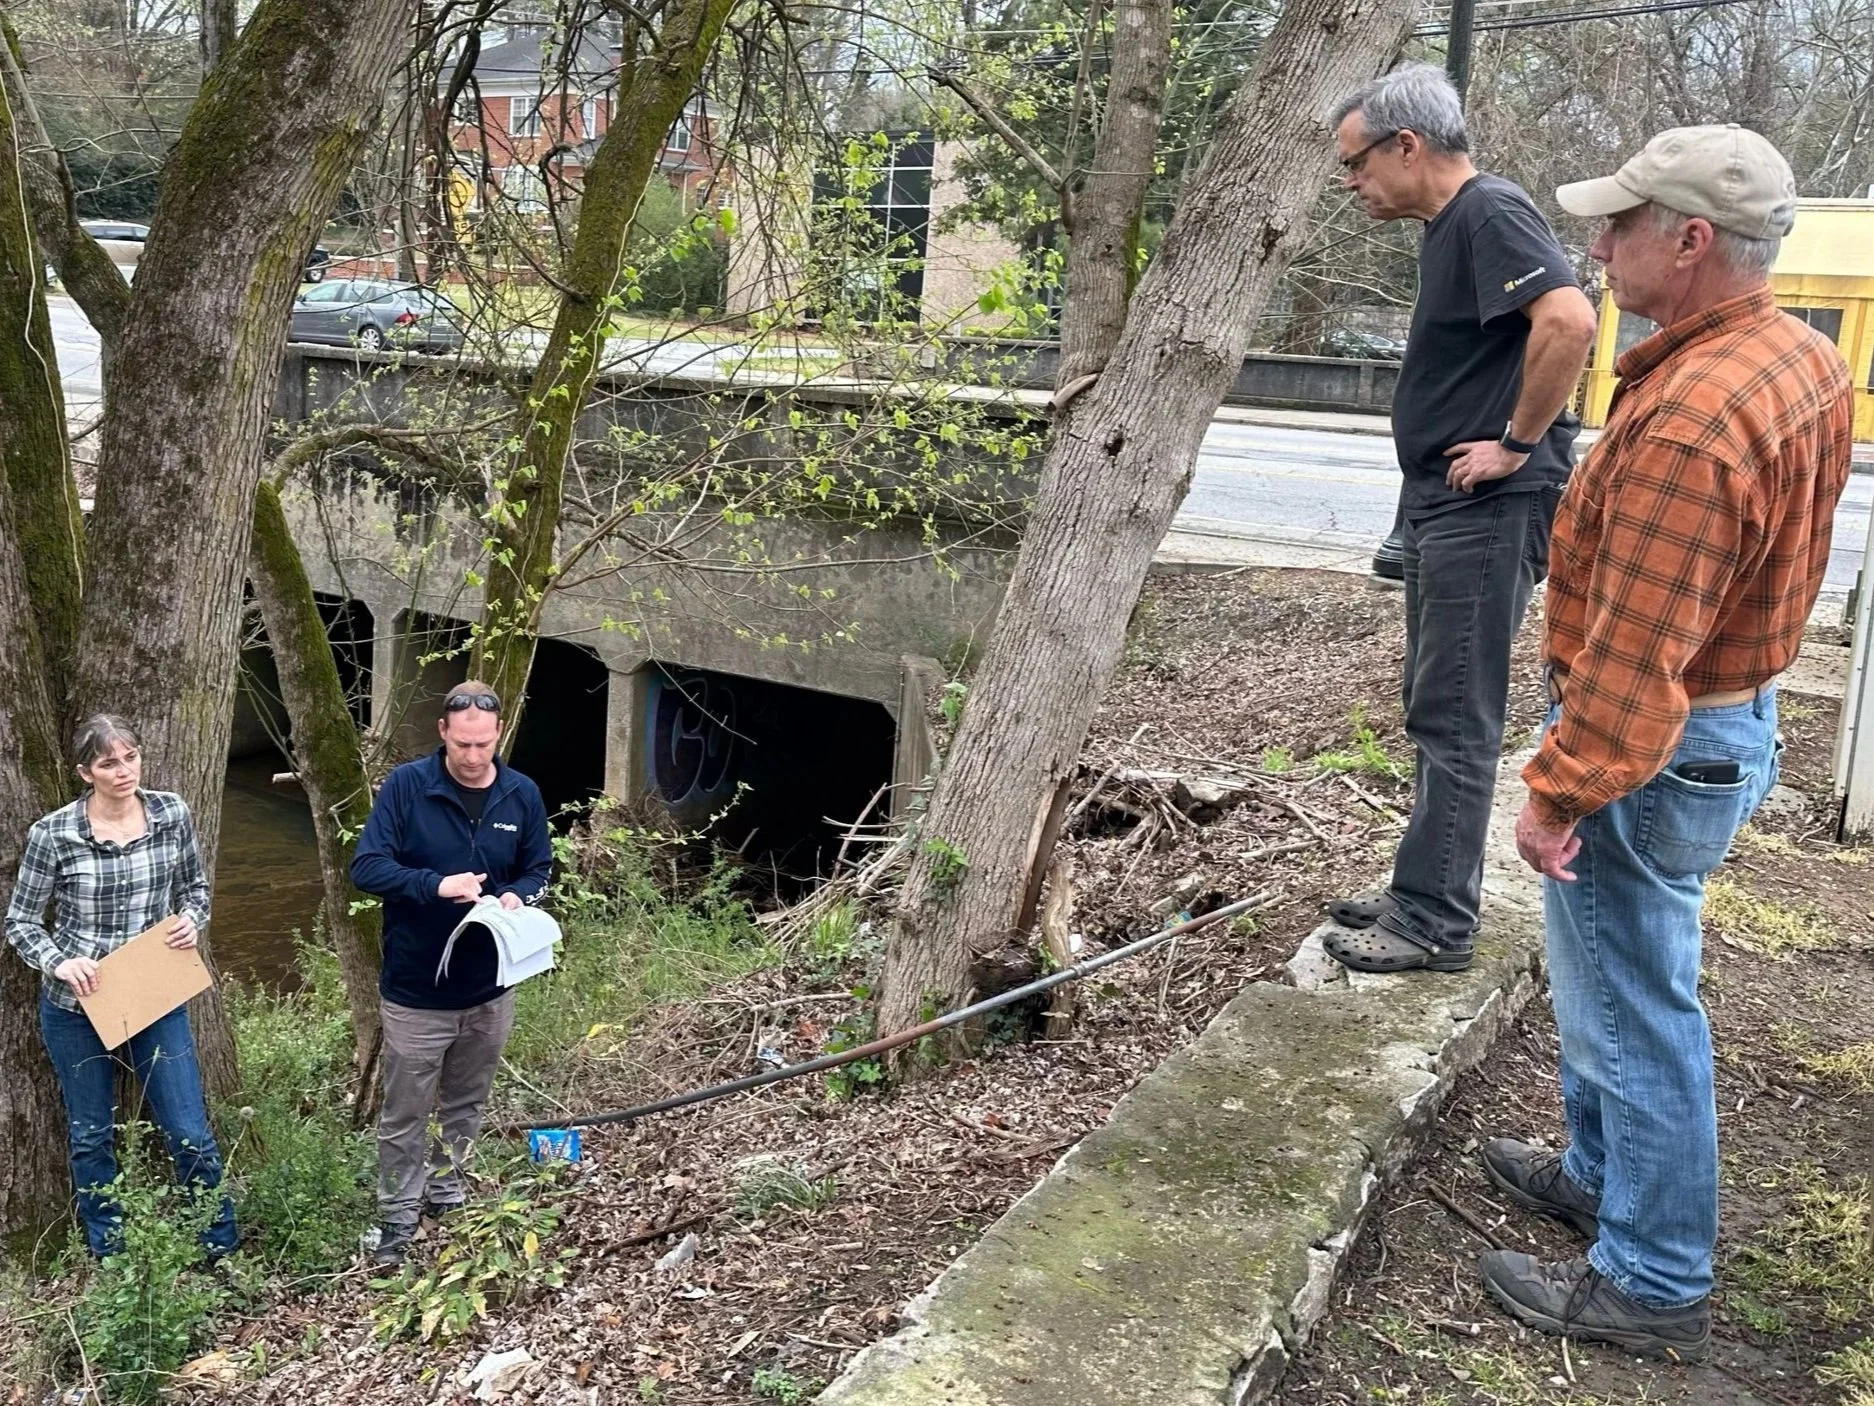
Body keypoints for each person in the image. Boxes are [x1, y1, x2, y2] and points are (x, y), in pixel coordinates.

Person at [1479, 126, 1853, 1360]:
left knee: (1632, 1004)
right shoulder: (1795, 355)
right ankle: (1600, 1174)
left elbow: (1636, 654)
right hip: (1724, 720)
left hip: (1654, 740)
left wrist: (1557, 791)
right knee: (1615, 981)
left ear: (1689, 241)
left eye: (1619, 226)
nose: (1594, 247)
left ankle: (1649, 1275)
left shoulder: (1690, 419)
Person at [1320, 65, 1600, 974]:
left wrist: (1515, 444)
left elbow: (1569, 319)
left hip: (1486, 509)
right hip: (1447, 508)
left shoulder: (1489, 211)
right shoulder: (1452, 228)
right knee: (1432, 705)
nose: (1350, 181)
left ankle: (1435, 919)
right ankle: (1418, 888)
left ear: (1407, 145)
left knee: (1455, 714)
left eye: (1356, 163)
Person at [5, 714, 239, 1259]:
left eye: (130, 757)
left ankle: (220, 1249)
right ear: (85, 772)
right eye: (109, 762)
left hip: (154, 992)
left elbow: (196, 888)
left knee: (189, 1131)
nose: (124, 770)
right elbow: (20, 922)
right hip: (77, 1005)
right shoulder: (54, 834)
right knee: (92, 1136)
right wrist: (59, 962)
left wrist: (191, 919)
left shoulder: (170, 812)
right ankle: (111, 1254)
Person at [351, 682, 552, 1267]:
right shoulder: (408, 788)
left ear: (498, 738)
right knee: (405, 1110)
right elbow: (366, 866)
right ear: (443, 733)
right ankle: (397, 1216)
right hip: (416, 990)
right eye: (462, 744)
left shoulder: (521, 794)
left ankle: (448, 1194)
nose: (472, 757)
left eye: (483, 745)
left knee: (467, 1101)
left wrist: (516, 897)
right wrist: (435, 886)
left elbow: (540, 867)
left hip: (490, 985)